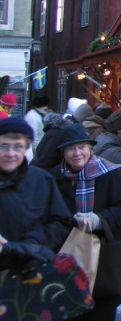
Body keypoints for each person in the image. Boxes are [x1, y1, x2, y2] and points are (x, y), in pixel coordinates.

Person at [51, 123, 121, 320]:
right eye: (71, 148)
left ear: (89, 148)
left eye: (82, 147)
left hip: (103, 260)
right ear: (63, 152)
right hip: (67, 257)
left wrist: (99, 219)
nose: (77, 153)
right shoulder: (53, 178)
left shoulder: (110, 175)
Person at [0, 116, 72, 271]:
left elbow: (60, 222)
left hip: (31, 270)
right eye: (4, 146)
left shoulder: (42, 180)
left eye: (18, 146)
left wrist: (31, 243)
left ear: (26, 148)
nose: (10, 153)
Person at [24, 94, 51, 160]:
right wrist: (38, 154)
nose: (46, 110)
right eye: (45, 108)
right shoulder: (33, 118)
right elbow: (33, 138)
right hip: (35, 152)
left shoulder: (36, 114)